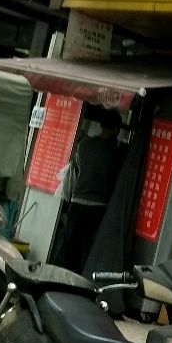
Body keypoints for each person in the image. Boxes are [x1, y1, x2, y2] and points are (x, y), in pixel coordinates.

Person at [52, 107, 123, 272]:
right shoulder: (114, 153)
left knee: (69, 247)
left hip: (77, 203)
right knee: (89, 250)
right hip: (98, 208)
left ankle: (62, 278)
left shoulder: (84, 145)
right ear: (116, 130)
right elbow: (113, 181)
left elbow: (75, 172)